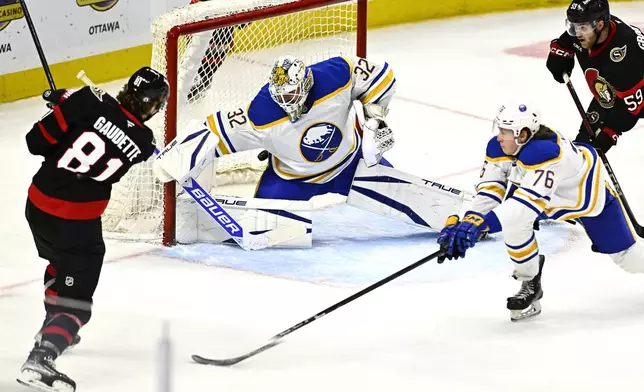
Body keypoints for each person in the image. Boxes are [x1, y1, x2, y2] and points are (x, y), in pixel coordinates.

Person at [153, 55, 468, 247]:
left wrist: (374, 119)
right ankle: (182, 221)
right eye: (282, 95)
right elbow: (213, 132)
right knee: (264, 234)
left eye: (292, 92)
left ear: (306, 82)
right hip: (292, 178)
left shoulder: (336, 74)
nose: (287, 100)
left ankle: (481, 220)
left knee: (427, 203)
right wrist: (180, 156)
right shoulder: (261, 113)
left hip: (351, 163)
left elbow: (382, 75)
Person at [18, 67, 169, 392]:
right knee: (78, 303)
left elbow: (35, 143)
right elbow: (115, 126)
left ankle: (52, 325)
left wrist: (63, 109)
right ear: (154, 107)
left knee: (60, 264)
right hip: (77, 223)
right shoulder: (143, 143)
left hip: (39, 207)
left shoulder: (87, 101)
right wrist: (72, 107)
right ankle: (41, 358)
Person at [437, 101, 644, 321]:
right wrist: (470, 220)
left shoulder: (547, 153)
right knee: (516, 224)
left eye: (506, 131)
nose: (499, 136)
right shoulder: (502, 146)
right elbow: (491, 187)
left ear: (523, 134)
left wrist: (482, 225)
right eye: (500, 130)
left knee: (629, 259)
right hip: (540, 195)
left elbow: (523, 208)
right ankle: (530, 280)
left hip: (583, 197)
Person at [546, 0, 644, 153]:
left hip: (635, 93)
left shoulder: (624, 55)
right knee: (582, 147)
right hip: (613, 89)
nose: (577, 33)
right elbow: (567, 40)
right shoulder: (588, 30)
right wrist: (560, 52)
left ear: (599, 25)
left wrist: (610, 133)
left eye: (582, 27)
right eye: (573, 26)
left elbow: (631, 108)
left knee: (597, 144)